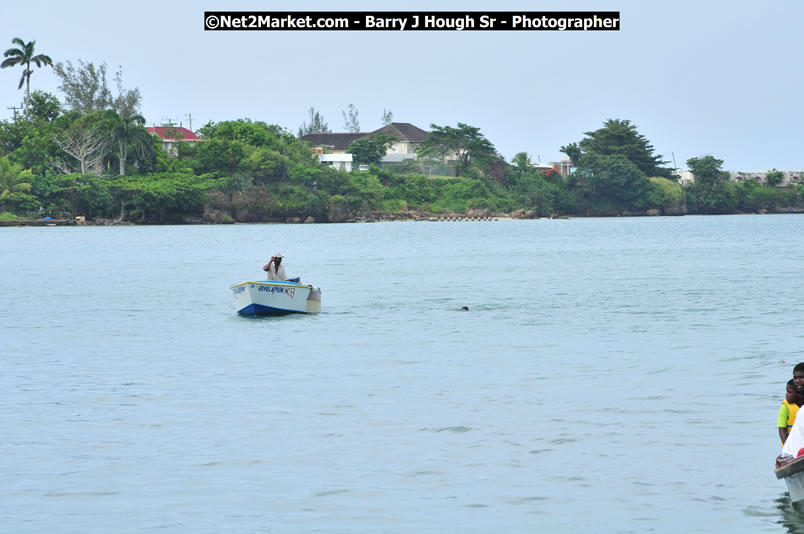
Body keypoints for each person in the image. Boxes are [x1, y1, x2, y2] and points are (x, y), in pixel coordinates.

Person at [779, 379, 800, 445]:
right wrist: (787, 447)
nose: (786, 394)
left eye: (790, 392)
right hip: (791, 445)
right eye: (787, 392)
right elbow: (781, 428)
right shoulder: (785, 407)